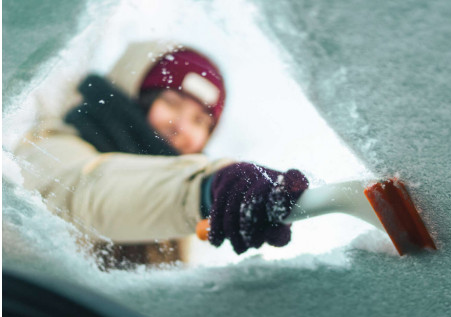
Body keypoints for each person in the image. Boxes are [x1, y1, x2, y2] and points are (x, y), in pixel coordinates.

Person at [14, 41, 308, 269]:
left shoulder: (193, 226)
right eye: (171, 103)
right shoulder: (49, 146)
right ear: (135, 97)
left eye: (200, 121)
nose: (181, 127)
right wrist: (206, 190)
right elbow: (88, 194)